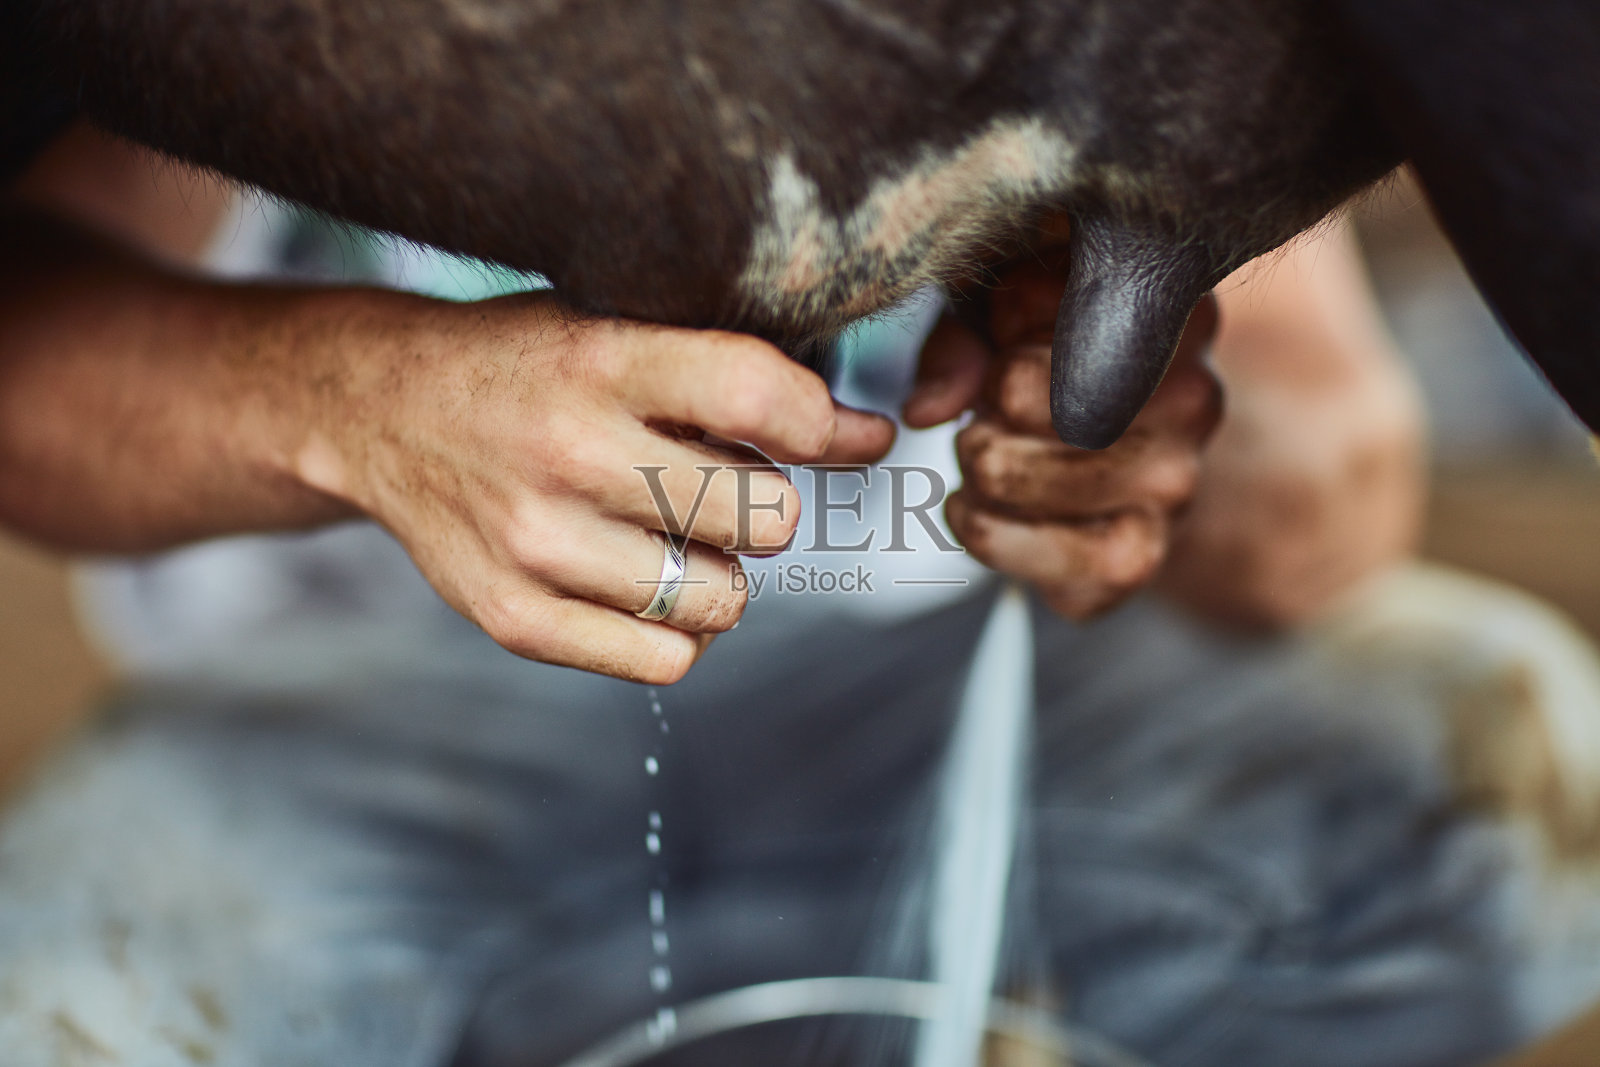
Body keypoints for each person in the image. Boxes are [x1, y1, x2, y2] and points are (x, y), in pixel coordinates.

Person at [6, 127, 1600, 1067]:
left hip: (943, 679)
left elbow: (1343, 474)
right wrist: (360, 401)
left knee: (1494, 782)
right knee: (56, 1008)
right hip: (351, 724)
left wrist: (1145, 438)